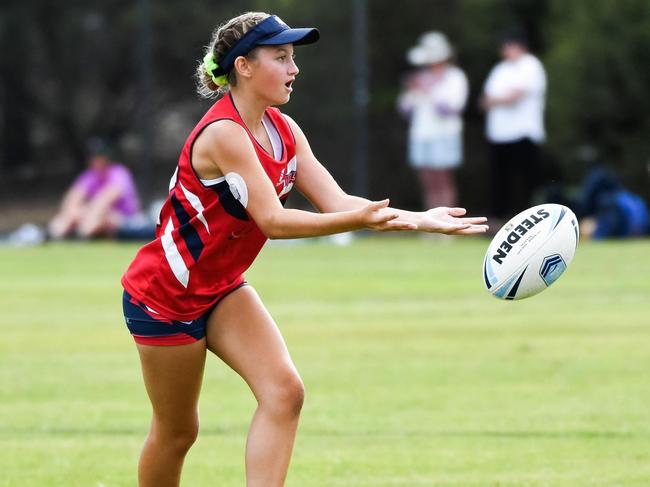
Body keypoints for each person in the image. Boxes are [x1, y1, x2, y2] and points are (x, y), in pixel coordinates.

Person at [120, 12, 488, 487]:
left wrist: (421, 220)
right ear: (244, 67)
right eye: (281, 57)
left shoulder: (285, 130)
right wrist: (358, 220)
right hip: (165, 298)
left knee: (284, 392)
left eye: (292, 57)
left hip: (221, 288)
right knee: (177, 432)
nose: (294, 68)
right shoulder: (225, 135)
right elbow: (274, 222)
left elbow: (338, 202)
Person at [480, 29, 547, 219]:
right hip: (499, 134)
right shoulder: (500, 69)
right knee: (500, 181)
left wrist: (497, 99)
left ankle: (529, 219)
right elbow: (485, 100)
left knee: (526, 181)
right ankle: (498, 220)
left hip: (523, 132)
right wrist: (498, 99)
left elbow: (515, 96)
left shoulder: (531, 66)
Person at [398, 32, 468, 209]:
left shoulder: (455, 77)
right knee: (428, 181)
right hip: (421, 134)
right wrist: (412, 90)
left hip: (444, 133)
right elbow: (405, 109)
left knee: (443, 179)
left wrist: (429, 90)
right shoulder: (421, 78)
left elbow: (451, 109)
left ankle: (448, 223)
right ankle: (433, 223)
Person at [48, 137, 142, 239]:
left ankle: (81, 236)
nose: (96, 160)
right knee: (64, 220)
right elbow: (72, 198)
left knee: (101, 218)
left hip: (126, 220)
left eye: (99, 156)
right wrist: (74, 213)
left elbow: (105, 199)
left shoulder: (119, 172)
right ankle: (54, 237)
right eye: (93, 157)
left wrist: (87, 216)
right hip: (95, 215)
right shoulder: (89, 176)